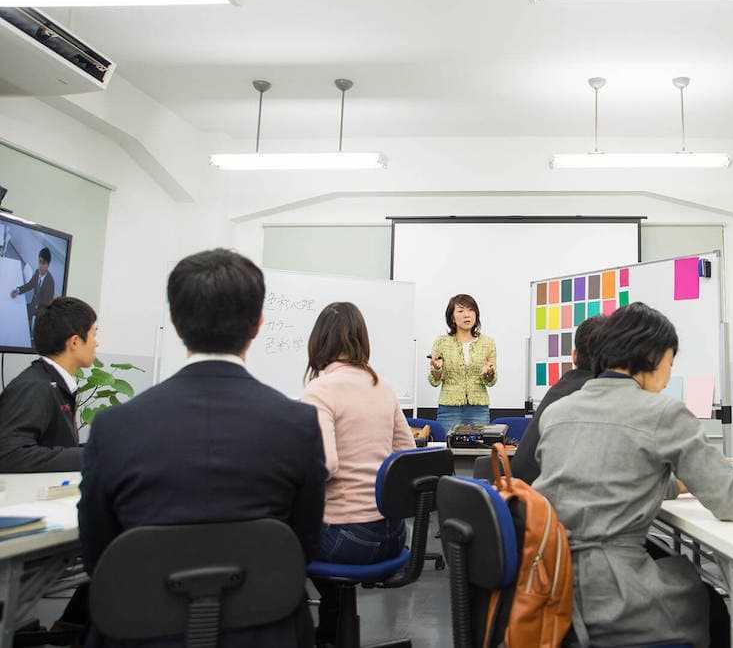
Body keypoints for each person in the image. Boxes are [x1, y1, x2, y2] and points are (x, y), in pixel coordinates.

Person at [78, 249, 327, 647]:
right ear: (258, 324)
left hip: (141, 632)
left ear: (177, 324)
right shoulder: (295, 424)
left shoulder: (114, 428)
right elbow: (304, 546)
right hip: (267, 630)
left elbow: (98, 555)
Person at [534, 302, 733, 647]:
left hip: (549, 584)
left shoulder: (558, 413)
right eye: (670, 362)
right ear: (653, 357)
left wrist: (670, 486)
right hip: (614, 595)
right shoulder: (662, 412)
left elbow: (597, 481)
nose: (667, 377)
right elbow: (730, 501)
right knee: (711, 604)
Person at [302, 302, 416, 646]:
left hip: (346, 541)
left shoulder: (319, 390)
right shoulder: (382, 387)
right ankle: (333, 626)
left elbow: (326, 465)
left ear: (318, 342)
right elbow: (408, 455)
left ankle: (324, 630)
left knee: (283, 536)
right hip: (394, 536)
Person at [0, 297, 97, 472]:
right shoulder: (35, 387)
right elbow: (9, 454)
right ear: (75, 342)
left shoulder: (53, 383)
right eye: (93, 335)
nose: (96, 343)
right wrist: (89, 456)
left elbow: (54, 444)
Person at [511, 314, 605, 484]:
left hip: (523, 495)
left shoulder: (562, 387)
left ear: (574, 356)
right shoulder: (598, 396)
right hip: (545, 501)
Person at [428, 294, 497, 429]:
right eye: (460, 311)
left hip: (478, 409)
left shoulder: (488, 343)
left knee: (480, 448)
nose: (467, 315)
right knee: (449, 448)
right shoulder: (441, 342)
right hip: (449, 409)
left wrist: (488, 373)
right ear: (452, 318)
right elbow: (434, 381)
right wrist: (437, 369)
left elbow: (491, 382)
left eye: (471, 310)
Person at [10, 246, 56, 334]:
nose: (40, 265)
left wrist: (34, 318)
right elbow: (30, 285)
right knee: (15, 314)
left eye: (43, 263)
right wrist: (18, 290)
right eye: (39, 262)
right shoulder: (37, 272)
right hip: (32, 306)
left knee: (21, 325)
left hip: (39, 314)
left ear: (48, 264)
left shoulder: (50, 282)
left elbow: (47, 306)